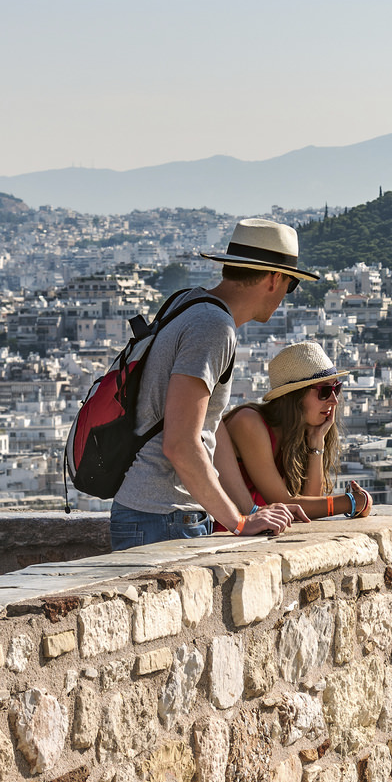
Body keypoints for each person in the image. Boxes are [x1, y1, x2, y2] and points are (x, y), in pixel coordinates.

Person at [109, 219, 316, 550]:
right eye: (291, 285)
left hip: (159, 513)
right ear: (274, 278)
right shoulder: (213, 327)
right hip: (163, 516)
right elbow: (180, 443)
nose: (285, 297)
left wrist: (248, 512)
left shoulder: (189, 302)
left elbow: (210, 428)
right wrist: (238, 523)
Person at [213, 341, 373, 520]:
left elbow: (310, 503)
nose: (334, 400)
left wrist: (316, 441)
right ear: (295, 395)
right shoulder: (249, 423)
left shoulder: (295, 434)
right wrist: (354, 502)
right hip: (225, 533)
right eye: (325, 391)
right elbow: (287, 504)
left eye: (337, 388)